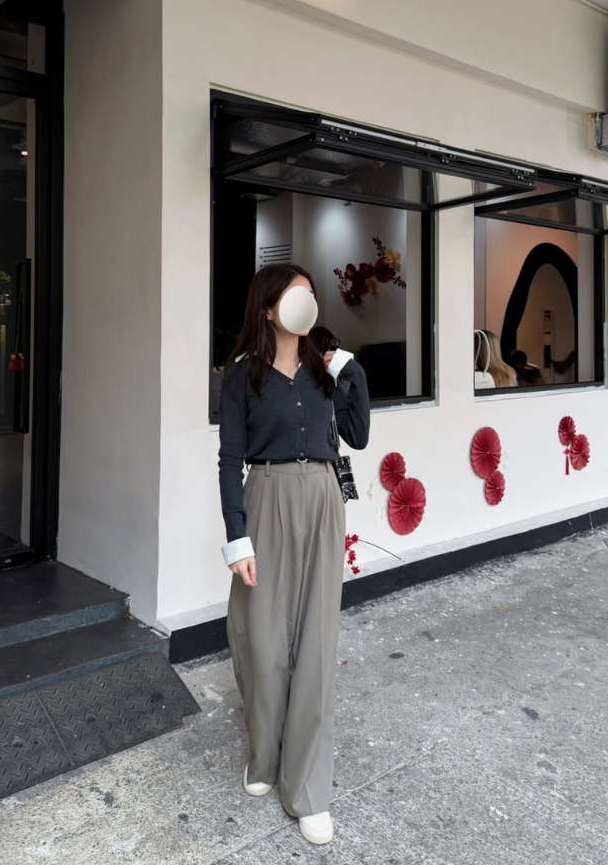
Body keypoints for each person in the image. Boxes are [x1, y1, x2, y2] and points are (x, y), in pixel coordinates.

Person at [219, 264, 370, 846]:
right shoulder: (243, 374)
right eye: (296, 292)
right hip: (267, 495)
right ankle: (264, 753)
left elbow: (357, 436)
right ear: (269, 307)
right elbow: (230, 460)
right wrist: (237, 537)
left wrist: (351, 372)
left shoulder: (323, 367)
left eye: (311, 293)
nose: (307, 300)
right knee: (260, 636)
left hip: (323, 497)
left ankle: (308, 788)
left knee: (316, 640)